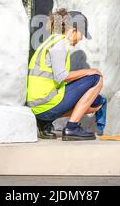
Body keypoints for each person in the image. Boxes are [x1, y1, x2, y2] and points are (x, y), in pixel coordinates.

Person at [26, 8, 105, 141]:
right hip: (45, 105)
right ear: (74, 30)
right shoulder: (60, 44)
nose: (81, 39)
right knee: (96, 78)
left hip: (37, 106)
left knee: (95, 102)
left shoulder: (49, 41)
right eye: (82, 34)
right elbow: (61, 77)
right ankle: (72, 128)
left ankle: (44, 123)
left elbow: (53, 79)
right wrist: (88, 71)